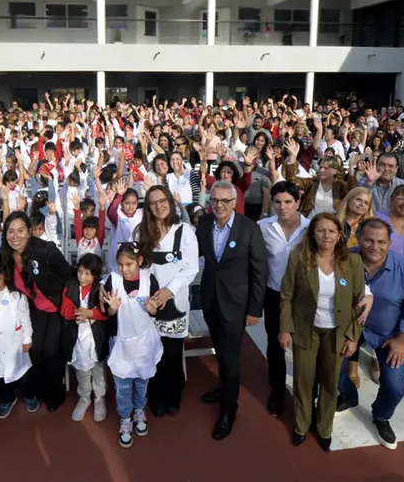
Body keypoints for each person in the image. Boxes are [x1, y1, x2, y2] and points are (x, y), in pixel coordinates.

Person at [337, 218, 404, 450]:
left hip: (390, 334)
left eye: (381, 242)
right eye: (368, 240)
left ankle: (381, 416)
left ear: (390, 243)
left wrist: (401, 340)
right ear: (359, 238)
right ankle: (347, 395)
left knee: (395, 386)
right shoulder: (345, 260)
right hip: (351, 329)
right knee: (332, 365)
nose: (374, 247)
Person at [279, 213, 365, 451]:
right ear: (313, 233)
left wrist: (353, 336)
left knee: (330, 380)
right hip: (306, 329)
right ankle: (301, 425)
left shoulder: (352, 262)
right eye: (321, 230)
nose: (327, 235)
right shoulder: (299, 257)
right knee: (303, 380)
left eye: (332, 231)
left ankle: (324, 426)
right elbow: (286, 296)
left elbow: (360, 301)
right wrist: (285, 328)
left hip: (337, 331)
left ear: (339, 235)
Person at [197, 180, 267, 440]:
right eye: (215, 200)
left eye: (225, 201)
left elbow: (259, 271)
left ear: (234, 202)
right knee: (219, 348)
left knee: (230, 356)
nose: (219, 205)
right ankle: (224, 386)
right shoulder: (203, 224)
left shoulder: (249, 228)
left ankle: (229, 408)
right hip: (210, 299)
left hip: (236, 304)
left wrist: (255, 309)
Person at [0, 211, 76, 412]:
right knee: (34, 350)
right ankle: (39, 390)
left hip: (56, 306)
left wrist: (68, 303)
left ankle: (54, 394)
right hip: (33, 308)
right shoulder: (3, 256)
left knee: (51, 351)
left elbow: (69, 276)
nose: (15, 236)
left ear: (29, 232)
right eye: (10, 232)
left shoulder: (46, 250)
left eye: (20, 231)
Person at [133, 184, 199, 417]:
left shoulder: (184, 232)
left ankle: (174, 394)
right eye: (153, 203)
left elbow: (191, 268)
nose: (159, 206)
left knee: (172, 352)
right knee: (152, 352)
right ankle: (156, 394)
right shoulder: (141, 233)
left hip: (175, 302)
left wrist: (168, 291)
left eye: (163, 201)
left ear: (170, 203)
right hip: (148, 303)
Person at [100, 242, 163, 449]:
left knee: (142, 382)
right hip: (121, 342)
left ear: (139, 262)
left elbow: (155, 311)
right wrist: (112, 309)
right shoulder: (113, 280)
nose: (123, 269)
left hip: (145, 342)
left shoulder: (149, 279)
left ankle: (139, 410)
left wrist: (153, 310)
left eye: (128, 264)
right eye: (120, 264)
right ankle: (125, 418)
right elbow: (108, 313)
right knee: (123, 385)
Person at [258, 180, 310, 416]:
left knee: (303, 346)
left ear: (298, 201)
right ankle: (277, 391)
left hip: (303, 298)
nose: (282, 207)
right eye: (277, 202)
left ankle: (305, 392)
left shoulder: (312, 229)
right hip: (273, 295)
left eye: (288, 202)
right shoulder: (262, 227)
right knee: (275, 345)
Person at [0, 255, 34, 420]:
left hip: (15, 343)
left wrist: (27, 339)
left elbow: (25, 319)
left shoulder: (16, 296)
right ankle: (7, 399)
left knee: (23, 375)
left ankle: (29, 395)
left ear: (4, 275)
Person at [60, 253, 108, 423]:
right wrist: (75, 313)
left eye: (87, 273)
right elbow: (64, 308)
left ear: (95, 275)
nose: (82, 276)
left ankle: (100, 398)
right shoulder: (70, 286)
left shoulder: (100, 289)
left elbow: (105, 314)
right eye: (80, 272)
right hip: (77, 338)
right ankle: (84, 397)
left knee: (98, 370)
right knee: (82, 372)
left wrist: (90, 313)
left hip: (96, 339)